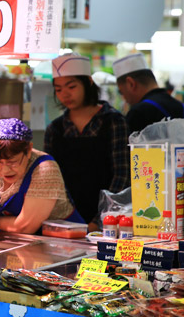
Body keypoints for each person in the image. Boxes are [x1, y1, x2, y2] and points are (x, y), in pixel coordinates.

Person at [44, 53, 130, 231]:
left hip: (108, 222)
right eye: (58, 90)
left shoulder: (113, 121)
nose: (65, 94)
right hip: (66, 220)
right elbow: (49, 180)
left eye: (71, 86)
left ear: (88, 82)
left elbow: (122, 175)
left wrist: (100, 221)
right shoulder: (55, 129)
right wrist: (66, 219)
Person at [0, 118, 82, 256]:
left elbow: (25, 226)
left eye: (13, 162)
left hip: (63, 249)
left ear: (28, 150)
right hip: (18, 247)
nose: (5, 170)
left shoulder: (45, 169)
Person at [113, 52, 184, 133]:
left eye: (121, 92)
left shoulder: (138, 113)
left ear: (131, 84)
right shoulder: (181, 107)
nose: (124, 98)